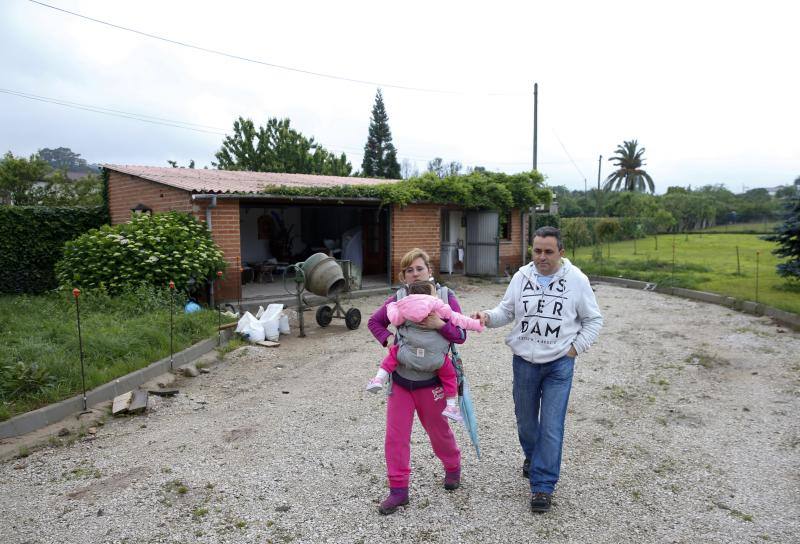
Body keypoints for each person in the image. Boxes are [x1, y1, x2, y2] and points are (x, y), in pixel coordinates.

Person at [473, 226, 603, 514]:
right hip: (524, 364)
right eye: (537, 251)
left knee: (552, 426)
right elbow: (506, 312)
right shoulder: (522, 277)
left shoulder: (577, 280)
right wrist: (486, 317)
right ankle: (534, 456)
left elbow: (593, 320)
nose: (541, 257)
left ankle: (543, 486)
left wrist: (573, 349)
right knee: (526, 422)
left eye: (548, 251)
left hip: (559, 364)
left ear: (561, 252)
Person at [367, 248, 468, 515]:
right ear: (403, 276)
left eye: (419, 268)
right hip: (401, 381)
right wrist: (389, 342)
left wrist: (439, 324)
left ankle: (452, 466)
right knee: (395, 437)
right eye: (409, 270)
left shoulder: (446, 298)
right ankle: (398, 491)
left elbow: (460, 335)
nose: (414, 274)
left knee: (439, 432)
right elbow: (374, 322)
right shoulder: (397, 300)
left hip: (432, 382)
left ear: (430, 271)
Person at [366, 280, 484, 422]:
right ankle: (451, 406)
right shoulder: (438, 306)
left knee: (393, 355)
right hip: (436, 360)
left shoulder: (403, 306)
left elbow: (395, 319)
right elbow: (459, 320)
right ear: (432, 294)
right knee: (449, 376)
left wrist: (391, 306)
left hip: (407, 355)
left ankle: (378, 378)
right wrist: (477, 325)